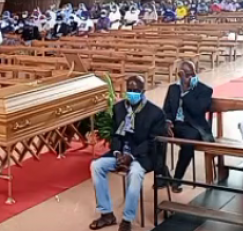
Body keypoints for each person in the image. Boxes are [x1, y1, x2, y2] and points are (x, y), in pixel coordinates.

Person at [89, 76, 166, 231]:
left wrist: (131, 156)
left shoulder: (155, 113)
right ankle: (107, 214)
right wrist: (117, 153)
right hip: (121, 153)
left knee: (135, 173)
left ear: (143, 91)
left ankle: (127, 219)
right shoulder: (119, 109)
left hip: (142, 156)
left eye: (135, 91)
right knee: (96, 166)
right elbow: (115, 135)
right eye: (129, 90)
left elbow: (152, 142)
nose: (131, 94)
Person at [162, 61, 213, 193]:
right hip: (175, 125)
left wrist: (186, 90)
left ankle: (177, 180)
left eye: (192, 74)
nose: (189, 77)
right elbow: (166, 110)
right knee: (155, 135)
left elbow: (197, 110)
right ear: (180, 75)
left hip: (193, 127)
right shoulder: (173, 89)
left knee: (189, 140)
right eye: (186, 75)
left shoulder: (204, 90)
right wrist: (167, 122)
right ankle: (163, 173)